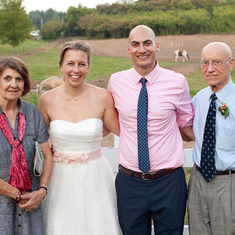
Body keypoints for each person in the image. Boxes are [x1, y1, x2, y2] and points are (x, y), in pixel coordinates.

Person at [107, 25, 195, 235]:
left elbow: (187, 124)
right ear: (128, 49)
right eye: (135, 44)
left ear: (156, 46)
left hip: (169, 181)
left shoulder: (177, 82)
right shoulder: (116, 82)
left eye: (147, 43)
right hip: (130, 182)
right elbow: (108, 120)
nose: (142, 49)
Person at [38, 40, 121, 234]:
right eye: (70, 63)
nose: (76, 69)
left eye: (82, 64)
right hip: (59, 177)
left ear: (88, 67)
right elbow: (38, 138)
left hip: (95, 176)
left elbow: (120, 130)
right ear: (61, 66)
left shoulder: (102, 97)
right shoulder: (46, 100)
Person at [0, 56, 53, 235]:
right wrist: (15, 194)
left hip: (31, 205)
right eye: (7, 78)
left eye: (19, 79)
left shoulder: (32, 114)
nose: (13, 84)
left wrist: (42, 191)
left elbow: (47, 156)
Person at [187, 42, 235, 234]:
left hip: (228, 182)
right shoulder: (199, 98)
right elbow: (189, 129)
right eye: (205, 63)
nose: (210, 69)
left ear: (230, 63)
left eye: (216, 62)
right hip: (198, 179)